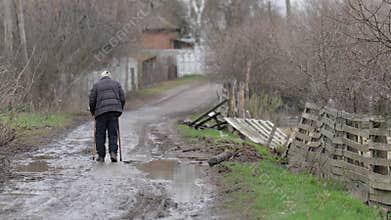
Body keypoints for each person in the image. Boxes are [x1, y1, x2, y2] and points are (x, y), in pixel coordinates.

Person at [89, 71, 125, 162]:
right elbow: (123, 98)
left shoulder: (96, 85)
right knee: (113, 133)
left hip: (101, 113)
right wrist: (119, 108)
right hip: (114, 112)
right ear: (110, 77)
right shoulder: (116, 84)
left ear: (101, 77)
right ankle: (113, 153)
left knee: (100, 134)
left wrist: (93, 112)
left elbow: (92, 100)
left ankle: (101, 156)